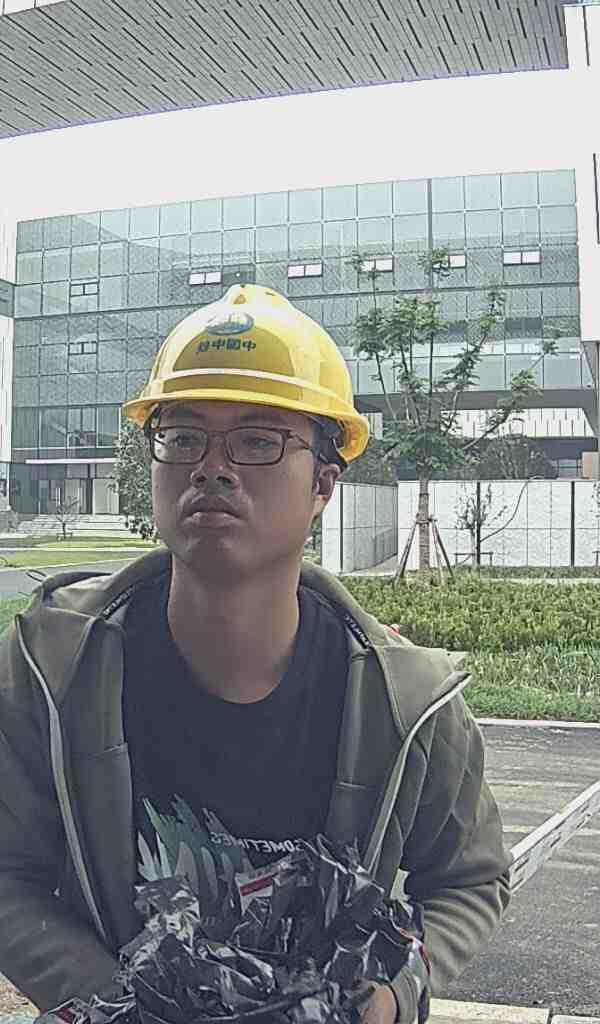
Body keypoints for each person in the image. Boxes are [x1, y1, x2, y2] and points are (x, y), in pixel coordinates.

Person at [0, 285, 510, 1024]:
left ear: (323, 484)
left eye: (258, 440)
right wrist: (116, 1004)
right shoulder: (52, 668)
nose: (212, 468)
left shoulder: (407, 702)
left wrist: (390, 995)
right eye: (183, 437)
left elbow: (470, 879)